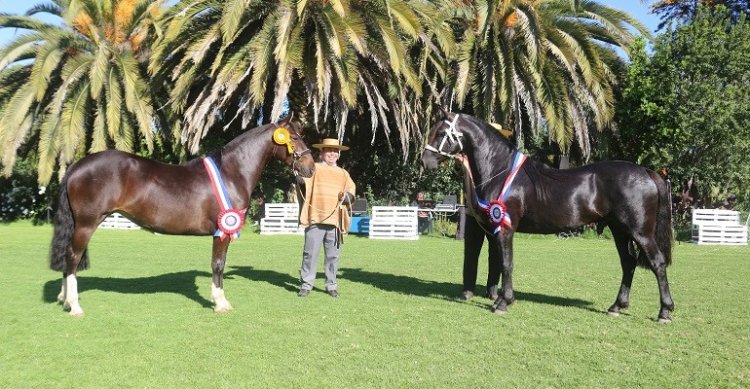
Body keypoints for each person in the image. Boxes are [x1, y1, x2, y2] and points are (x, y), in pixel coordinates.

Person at [296, 138, 356, 298]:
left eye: (335, 151)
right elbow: (304, 180)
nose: (332, 153)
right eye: (329, 150)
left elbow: (351, 190)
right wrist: (300, 180)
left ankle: (331, 285)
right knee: (310, 254)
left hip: (335, 221)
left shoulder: (344, 174)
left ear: (338, 154)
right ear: (322, 153)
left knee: (333, 256)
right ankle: (306, 285)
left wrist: (348, 196)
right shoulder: (314, 168)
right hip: (315, 218)